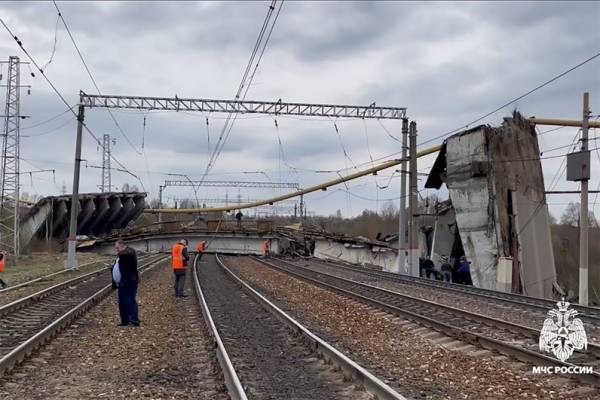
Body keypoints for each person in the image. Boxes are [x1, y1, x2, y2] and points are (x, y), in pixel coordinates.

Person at [114, 240, 140, 327]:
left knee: (130, 300)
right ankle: (125, 320)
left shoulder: (129, 252)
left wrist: (119, 253)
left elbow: (125, 254)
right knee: (122, 301)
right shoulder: (123, 253)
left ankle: (134, 321)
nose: (117, 250)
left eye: (117, 248)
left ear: (123, 246)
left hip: (129, 281)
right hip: (123, 281)